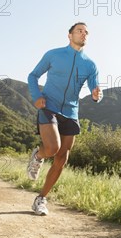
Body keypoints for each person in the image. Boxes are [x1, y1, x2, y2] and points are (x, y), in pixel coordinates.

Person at [26, 22, 102, 215]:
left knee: (62, 159)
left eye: (86, 32)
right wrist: (37, 97)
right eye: (79, 31)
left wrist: (96, 95)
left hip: (71, 112)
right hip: (49, 106)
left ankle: (41, 199)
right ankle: (38, 155)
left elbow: (95, 88)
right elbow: (33, 76)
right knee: (52, 148)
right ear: (69, 35)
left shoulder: (90, 65)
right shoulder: (53, 54)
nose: (83, 34)